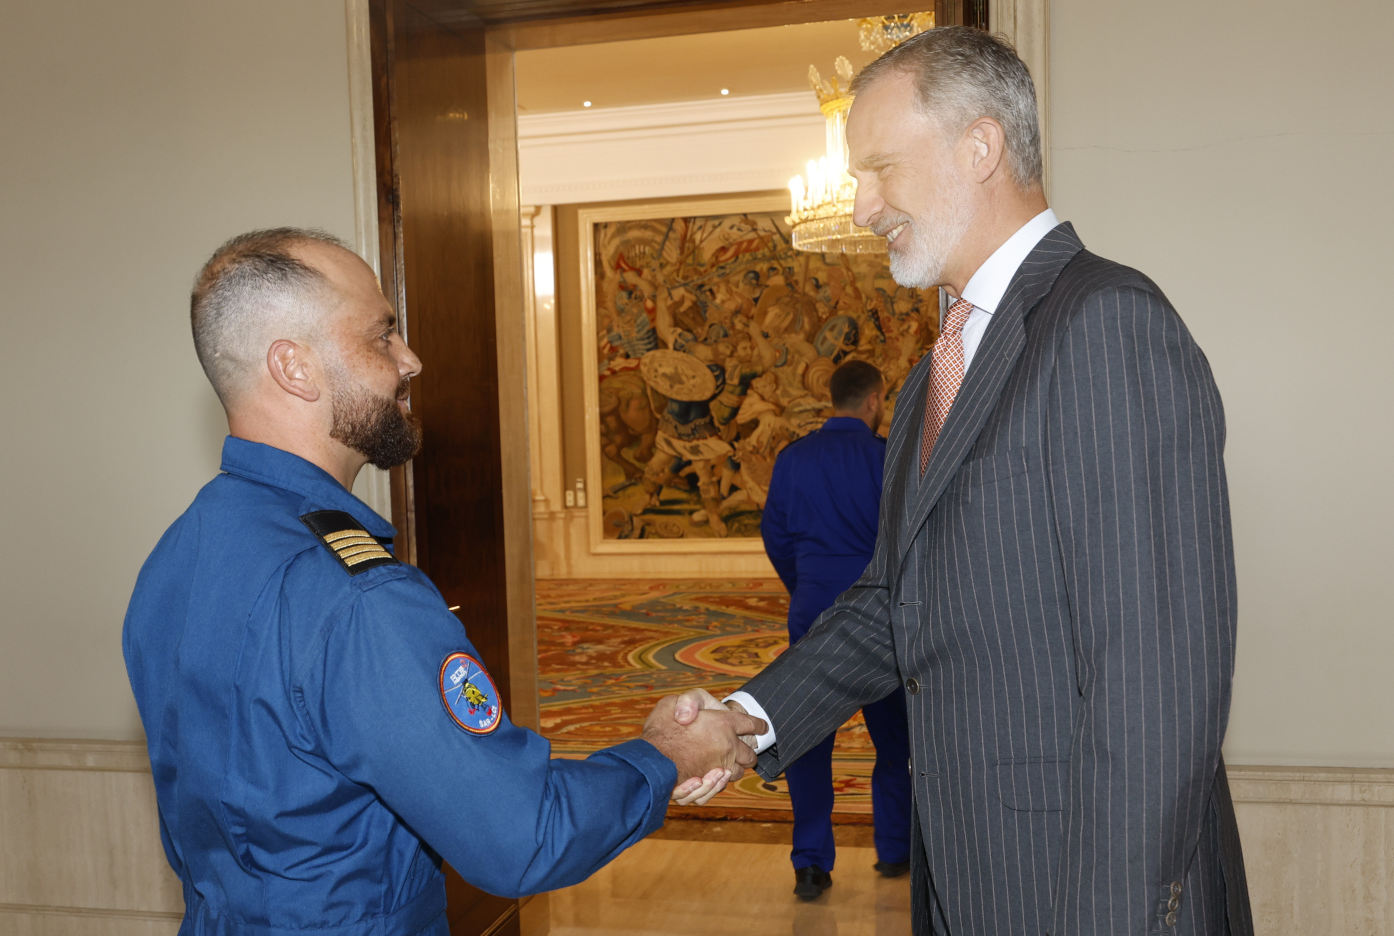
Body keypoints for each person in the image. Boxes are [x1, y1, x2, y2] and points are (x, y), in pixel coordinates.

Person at [680, 26, 1254, 936]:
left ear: (979, 147)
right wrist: (750, 718)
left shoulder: (1105, 326)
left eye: (879, 169)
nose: (862, 206)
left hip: (1084, 896)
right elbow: (894, 604)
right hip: (974, 878)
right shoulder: (934, 372)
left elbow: (1156, 689)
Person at [122, 229, 765, 936]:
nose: (410, 360)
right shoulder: (358, 597)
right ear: (294, 368)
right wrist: (667, 756)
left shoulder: (176, 556)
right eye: (381, 337)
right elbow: (522, 836)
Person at [760, 360, 911, 900]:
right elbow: (906, 537)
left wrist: (807, 587)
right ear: (874, 400)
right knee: (896, 742)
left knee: (806, 741)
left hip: (813, 610)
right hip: (878, 617)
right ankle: (895, 850)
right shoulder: (888, 456)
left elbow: (774, 535)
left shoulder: (792, 459)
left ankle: (810, 863)